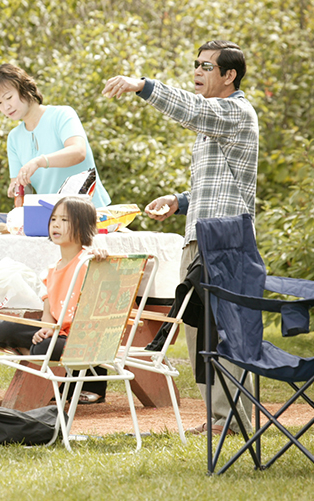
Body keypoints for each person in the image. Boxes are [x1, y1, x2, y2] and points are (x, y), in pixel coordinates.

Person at [102, 40, 257, 436]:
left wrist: (143, 86)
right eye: (196, 65)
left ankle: (234, 422)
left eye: (207, 67)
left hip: (227, 242)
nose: (198, 72)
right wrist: (180, 201)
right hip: (201, 237)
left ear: (229, 75)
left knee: (226, 333)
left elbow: (192, 109)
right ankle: (220, 419)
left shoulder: (234, 112)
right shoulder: (215, 124)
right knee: (200, 331)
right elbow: (223, 184)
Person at [0, 196, 109, 404]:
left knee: (41, 349)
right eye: (54, 219)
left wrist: (101, 255)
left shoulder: (90, 262)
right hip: (59, 336)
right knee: (3, 328)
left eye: (65, 220)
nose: (56, 224)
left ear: (83, 226)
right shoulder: (51, 272)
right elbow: (48, 317)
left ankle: (72, 381)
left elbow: (106, 290)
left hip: (83, 340)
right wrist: (46, 329)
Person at [0, 63, 111, 208]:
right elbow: (19, 185)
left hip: (91, 212)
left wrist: (39, 161)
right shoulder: (13, 138)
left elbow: (79, 152)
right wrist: (17, 187)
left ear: (24, 88)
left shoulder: (62, 115)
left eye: (9, 97)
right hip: (53, 218)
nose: (6, 107)